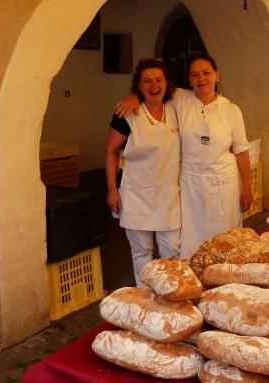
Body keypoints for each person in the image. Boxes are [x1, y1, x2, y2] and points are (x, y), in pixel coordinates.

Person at [116, 53, 253, 260]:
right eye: (195, 75)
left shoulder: (231, 110)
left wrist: (248, 187)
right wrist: (133, 98)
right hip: (190, 184)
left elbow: (241, 150)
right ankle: (194, 286)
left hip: (224, 184)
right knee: (191, 240)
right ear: (189, 80)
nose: (201, 79)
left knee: (224, 240)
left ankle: (223, 284)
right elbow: (153, 90)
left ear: (217, 75)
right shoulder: (180, 99)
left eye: (206, 73)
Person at [106, 58, 180, 285]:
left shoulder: (176, 108)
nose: (154, 85)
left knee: (172, 251)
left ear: (167, 83)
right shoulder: (126, 115)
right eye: (147, 81)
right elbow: (111, 152)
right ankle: (145, 299)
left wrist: (134, 96)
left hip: (169, 195)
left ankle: (172, 296)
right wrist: (112, 191)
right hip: (136, 194)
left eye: (159, 80)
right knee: (142, 252)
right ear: (138, 85)